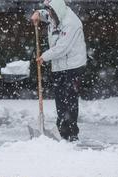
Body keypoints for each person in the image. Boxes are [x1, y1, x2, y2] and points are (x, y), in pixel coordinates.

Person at [31, 0, 87, 141]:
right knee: (60, 99)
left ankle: (72, 132)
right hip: (59, 66)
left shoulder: (71, 23)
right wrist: (38, 13)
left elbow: (62, 48)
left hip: (73, 67)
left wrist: (44, 57)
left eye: (50, 11)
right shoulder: (55, 14)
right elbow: (46, 15)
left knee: (70, 99)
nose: (49, 14)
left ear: (57, 10)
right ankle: (62, 128)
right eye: (48, 11)